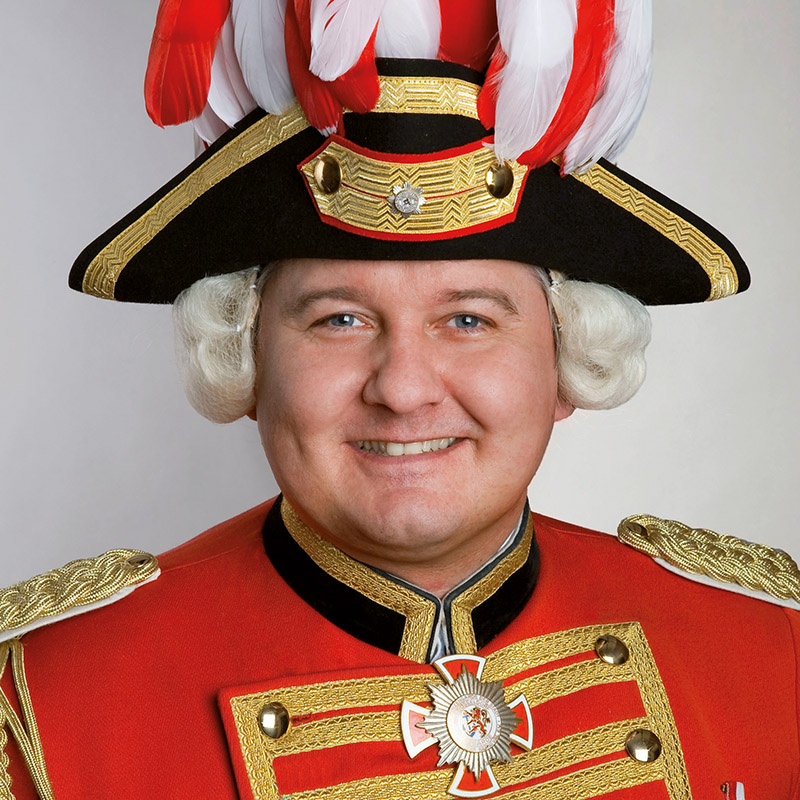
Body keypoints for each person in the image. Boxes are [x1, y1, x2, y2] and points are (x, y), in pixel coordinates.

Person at [1, 1, 797, 798]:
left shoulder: (768, 655)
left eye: (469, 320)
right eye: (339, 319)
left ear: (567, 361)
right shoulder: (49, 709)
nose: (405, 388)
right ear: (247, 360)